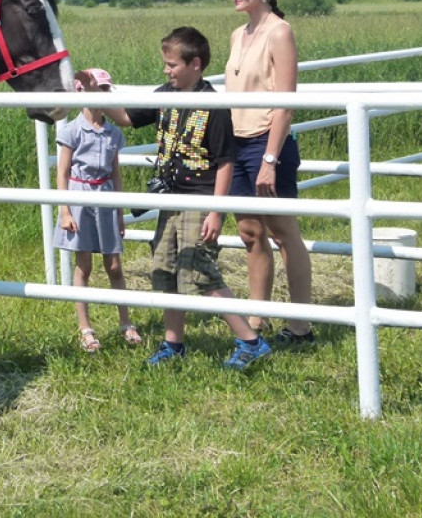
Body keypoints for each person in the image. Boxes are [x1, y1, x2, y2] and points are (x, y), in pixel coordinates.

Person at [102, 27, 271, 370]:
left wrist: (216, 211)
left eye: (172, 65)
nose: (166, 71)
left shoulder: (214, 106)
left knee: (200, 271)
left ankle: (251, 342)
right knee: (164, 269)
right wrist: (96, 93)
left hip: (200, 196)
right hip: (171, 197)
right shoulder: (165, 94)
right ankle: (173, 344)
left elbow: (226, 162)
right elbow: (126, 118)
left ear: (195, 64)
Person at [223, 0, 314, 347]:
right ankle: (256, 319)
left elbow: (285, 101)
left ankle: (301, 325)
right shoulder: (235, 35)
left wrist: (270, 160)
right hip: (236, 140)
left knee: (283, 232)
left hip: (267, 141)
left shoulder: (280, 32)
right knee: (249, 232)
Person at [53, 68, 141, 352]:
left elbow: (116, 174)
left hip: (105, 196)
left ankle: (125, 322)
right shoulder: (72, 131)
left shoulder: (113, 133)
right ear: (81, 92)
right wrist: (65, 211)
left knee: (114, 264)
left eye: (106, 90)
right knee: (84, 264)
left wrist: (119, 211)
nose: (102, 95)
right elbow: (63, 173)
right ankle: (85, 328)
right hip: (79, 197)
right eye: (96, 89)